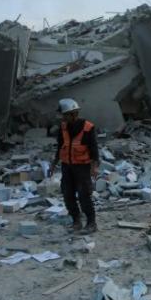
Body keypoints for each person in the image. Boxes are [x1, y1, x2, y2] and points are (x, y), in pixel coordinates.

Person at [50, 98, 100, 233]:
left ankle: (91, 223)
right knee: (68, 195)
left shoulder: (88, 128)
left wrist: (94, 166)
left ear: (74, 114)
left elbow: (94, 149)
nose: (63, 118)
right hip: (67, 167)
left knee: (84, 195)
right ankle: (76, 221)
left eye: (65, 115)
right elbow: (60, 147)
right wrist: (54, 163)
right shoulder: (63, 127)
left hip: (82, 168)